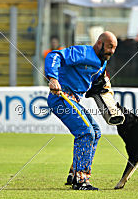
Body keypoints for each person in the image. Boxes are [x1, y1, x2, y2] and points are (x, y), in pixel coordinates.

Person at [45, 31, 118, 190]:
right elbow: (54, 55)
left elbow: (93, 83)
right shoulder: (83, 52)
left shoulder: (102, 62)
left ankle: (73, 174)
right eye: (110, 47)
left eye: (114, 48)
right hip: (61, 97)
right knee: (86, 132)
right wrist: (53, 78)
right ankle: (81, 180)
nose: (112, 51)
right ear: (100, 43)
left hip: (73, 99)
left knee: (96, 132)